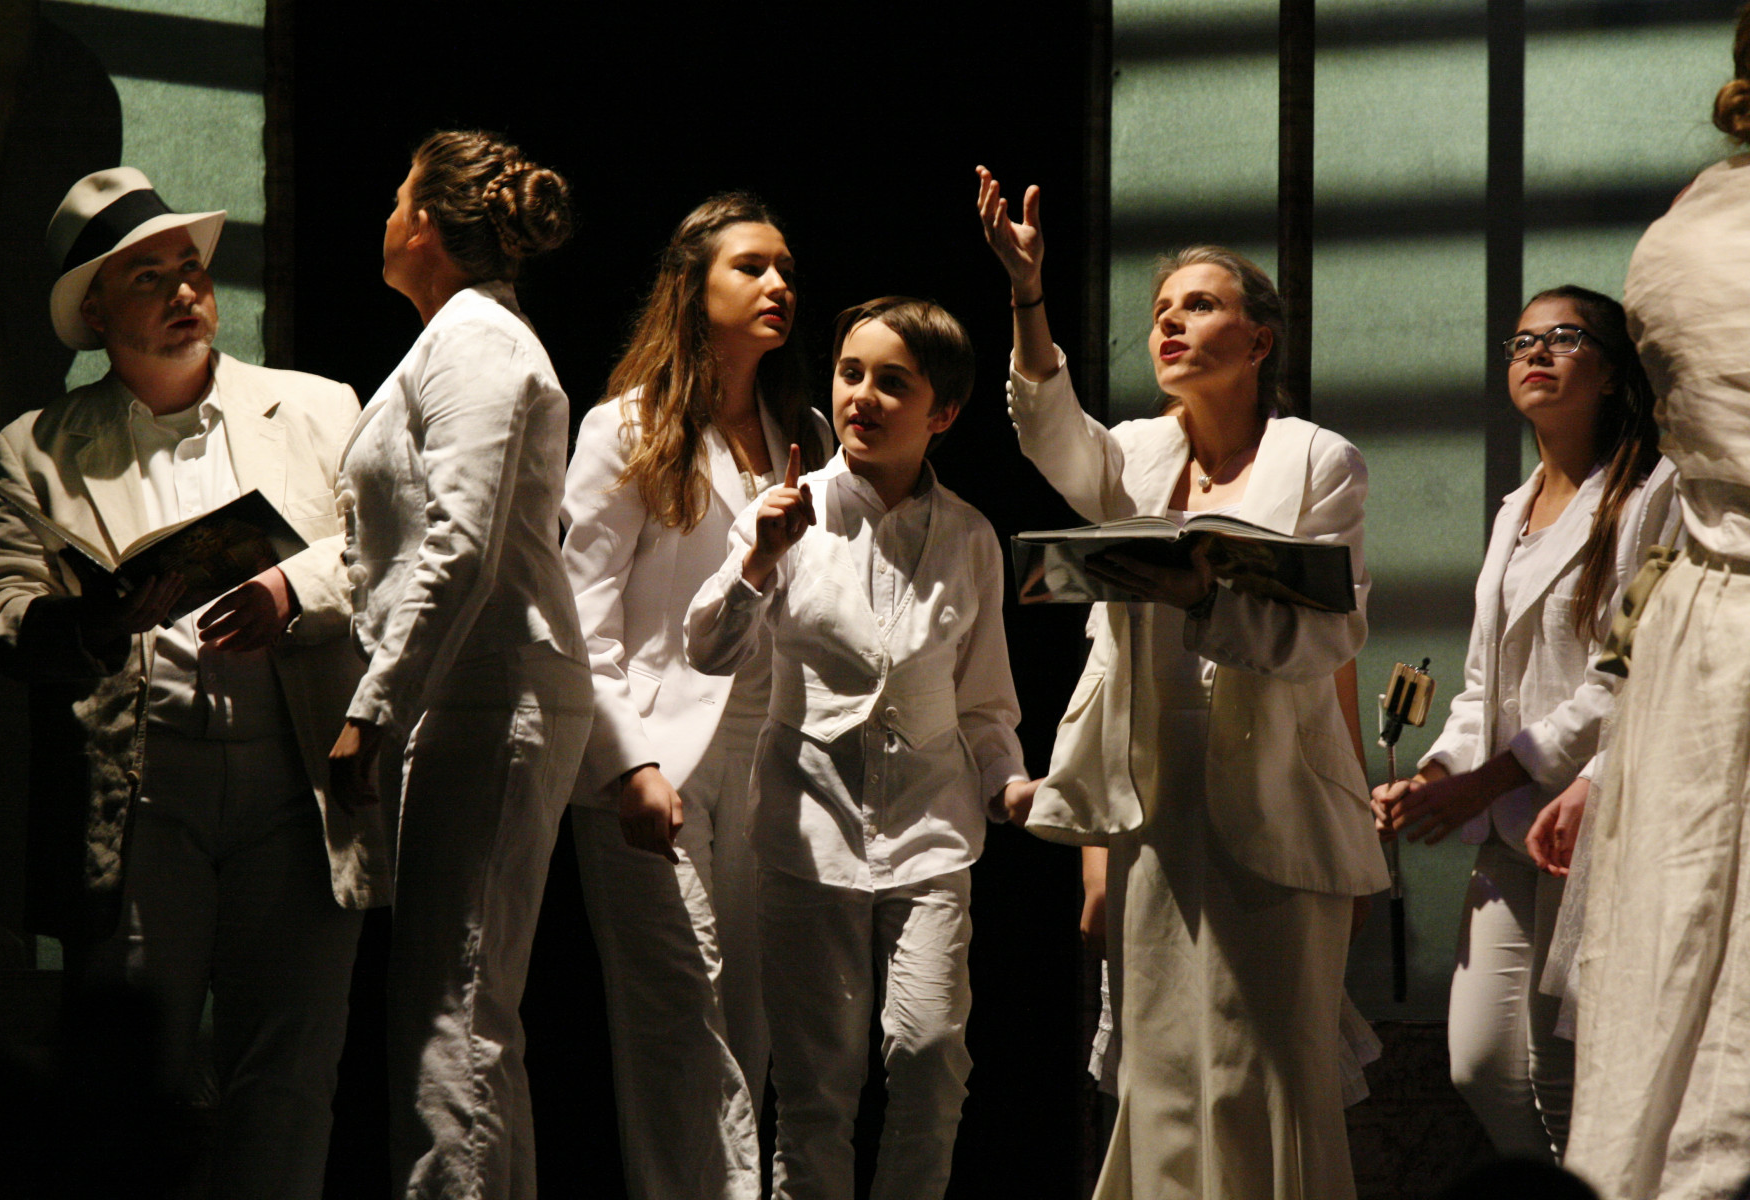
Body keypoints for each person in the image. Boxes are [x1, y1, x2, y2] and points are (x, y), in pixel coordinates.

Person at [0, 167, 383, 1199]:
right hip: (143, 792)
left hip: (295, 779)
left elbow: (387, 555)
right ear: (95, 313)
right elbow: (0, 605)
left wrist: (291, 588)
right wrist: (95, 621)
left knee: (290, 1070)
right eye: (147, 277)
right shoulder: (37, 448)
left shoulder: (319, 407)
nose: (184, 290)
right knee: (134, 1077)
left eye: (189, 267)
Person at [977, 166, 1386, 1199]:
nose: (1169, 323)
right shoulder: (1135, 454)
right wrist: (1028, 295)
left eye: (1199, 306)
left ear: (1258, 341)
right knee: (1162, 1075)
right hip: (1157, 800)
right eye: (1162, 309)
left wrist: (1203, 599)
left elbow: (1326, 636)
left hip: (1281, 799)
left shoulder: (1319, 461)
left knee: (1267, 1073)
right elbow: (1049, 434)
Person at [685, 296, 1034, 1200]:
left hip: (931, 834)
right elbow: (707, 650)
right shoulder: (787, 513)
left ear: (942, 413)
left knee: (929, 1054)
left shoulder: (970, 536)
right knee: (816, 1087)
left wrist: (1009, 786)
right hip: (808, 836)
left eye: (892, 383)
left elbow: (985, 703)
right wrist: (758, 559)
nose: (862, 397)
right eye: (850, 374)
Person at [326, 130, 593, 1200]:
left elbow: (462, 545)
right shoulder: (461, 337)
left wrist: (373, 707)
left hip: (487, 693)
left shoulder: (476, 339)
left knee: (453, 1015)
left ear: (427, 225)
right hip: (475, 693)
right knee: (465, 1015)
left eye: (399, 198)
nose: (386, 216)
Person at [560, 193, 829, 1199]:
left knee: (754, 1019)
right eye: (751, 266)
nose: (778, 284)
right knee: (681, 1016)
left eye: (787, 268)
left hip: (776, 758)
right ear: (691, 287)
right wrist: (626, 763)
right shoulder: (624, 428)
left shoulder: (805, 430)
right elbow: (580, 624)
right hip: (654, 758)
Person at [1372, 286, 1674, 1160]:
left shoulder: (1656, 494)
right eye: (1521, 341)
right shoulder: (1516, 508)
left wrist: (1503, 776)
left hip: (1599, 815)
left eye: (1564, 338)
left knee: (1568, 1076)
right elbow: (1482, 688)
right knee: (1481, 1067)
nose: (1535, 353)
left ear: (1611, 372)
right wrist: (1437, 775)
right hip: (1511, 827)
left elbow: (1633, 673)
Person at [1562, 16, 1750, 1194]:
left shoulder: (1689, 220)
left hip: (1704, 629)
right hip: (1717, 613)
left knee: (1680, 970)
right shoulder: (1706, 232)